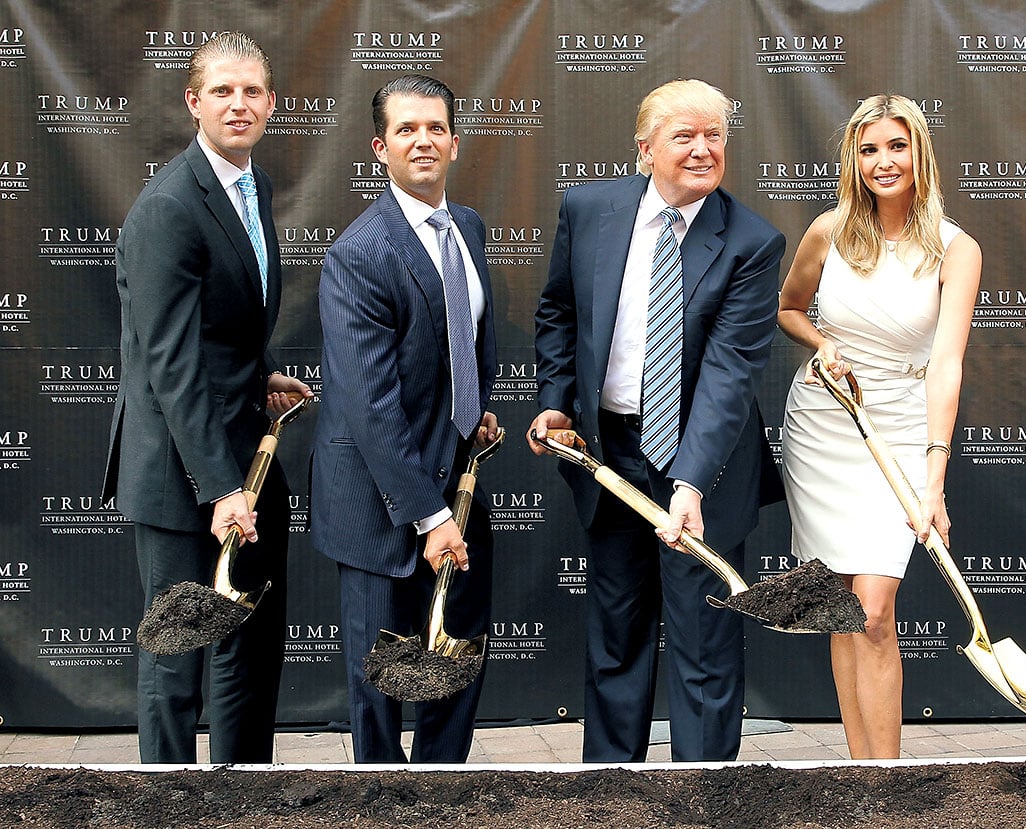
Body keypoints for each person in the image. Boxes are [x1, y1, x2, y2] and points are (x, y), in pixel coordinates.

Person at [528, 79, 786, 762]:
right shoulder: (589, 211)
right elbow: (558, 312)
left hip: (708, 464)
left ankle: (703, 795)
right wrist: (555, 399)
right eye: (686, 136)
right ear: (645, 150)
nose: (704, 150)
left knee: (705, 644)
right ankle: (612, 792)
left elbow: (730, 377)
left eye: (715, 137)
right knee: (615, 635)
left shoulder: (752, 243)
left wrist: (691, 485)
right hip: (610, 455)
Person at [102, 31, 313, 764]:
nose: (239, 103)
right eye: (223, 90)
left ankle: (240, 794)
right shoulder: (169, 206)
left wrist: (261, 376)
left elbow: (221, 328)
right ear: (194, 102)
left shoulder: (247, 189)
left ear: (272, 104)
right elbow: (169, 361)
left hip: (241, 459)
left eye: (252, 91)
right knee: (177, 654)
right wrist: (221, 485)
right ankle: (166, 803)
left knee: (246, 649)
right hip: (181, 476)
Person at [778, 93, 981, 759]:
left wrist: (935, 480)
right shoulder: (829, 230)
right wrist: (821, 344)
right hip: (826, 422)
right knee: (845, 607)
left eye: (897, 146)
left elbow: (947, 364)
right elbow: (789, 307)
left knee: (875, 604)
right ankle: (862, 774)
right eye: (869, 149)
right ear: (853, 158)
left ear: (920, 152)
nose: (883, 161)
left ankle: (887, 782)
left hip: (898, 425)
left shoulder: (957, 248)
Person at [309, 74, 500, 764]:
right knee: (381, 679)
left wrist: (474, 412)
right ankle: (383, 800)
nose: (423, 140)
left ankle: (441, 786)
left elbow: (466, 338)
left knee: (461, 649)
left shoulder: (468, 227)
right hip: (379, 503)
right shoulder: (359, 253)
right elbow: (370, 405)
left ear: (454, 140)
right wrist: (430, 515)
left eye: (435, 128)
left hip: (458, 480)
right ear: (379, 148)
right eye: (406, 130)